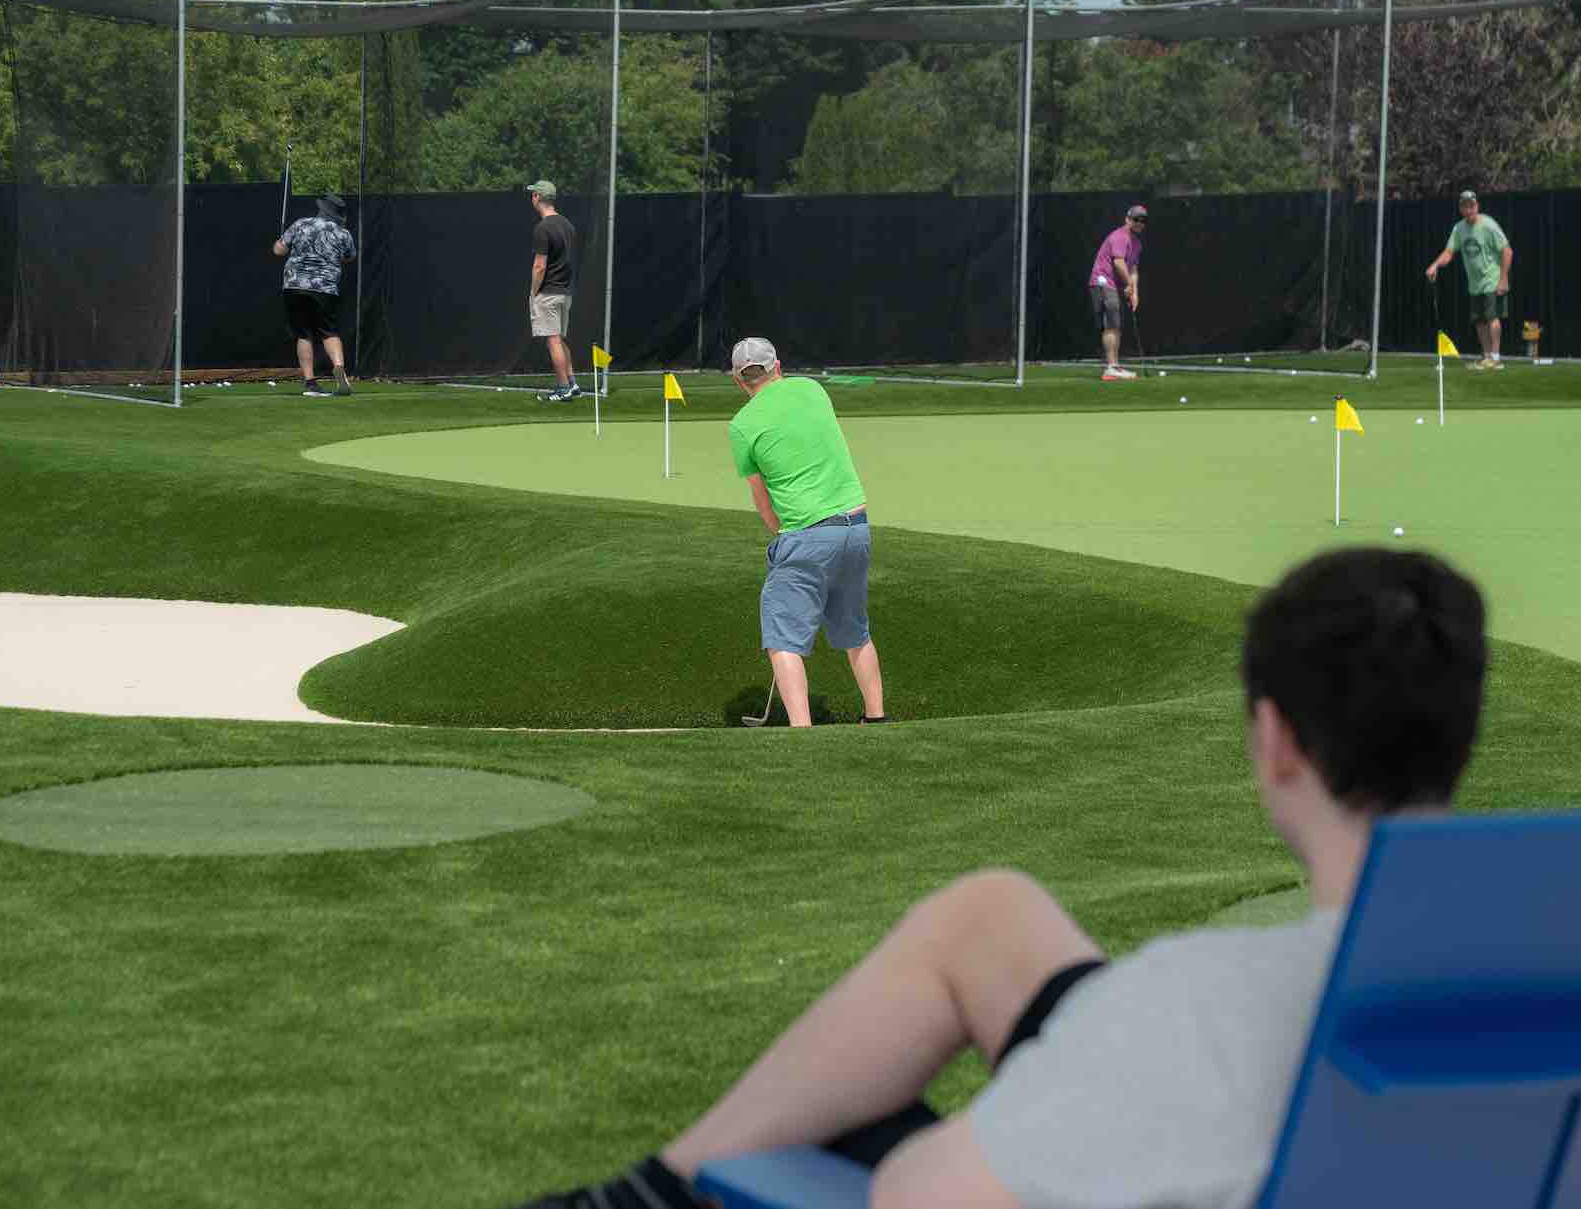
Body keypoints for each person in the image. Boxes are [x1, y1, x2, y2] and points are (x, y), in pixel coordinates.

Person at [513, 546, 1488, 1209]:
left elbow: (917, 1198)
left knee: (863, 1138)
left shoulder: (1199, 1008)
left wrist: (1035, 1102)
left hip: (1197, 1099)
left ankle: (667, 1188)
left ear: (1276, 742)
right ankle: (651, 1187)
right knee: (993, 914)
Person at [725, 337, 884, 729]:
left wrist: (787, 536)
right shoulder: (813, 389)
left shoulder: (742, 426)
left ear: (737, 380)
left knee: (781, 638)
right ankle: (876, 718)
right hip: (857, 527)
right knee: (855, 632)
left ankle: (802, 733)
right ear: (777, 366)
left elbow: (763, 502)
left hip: (807, 534)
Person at [273, 192, 356, 397]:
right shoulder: (343, 233)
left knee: (303, 333)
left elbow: (278, 251)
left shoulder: (301, 224)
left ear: (321, 209)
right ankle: (339, 369)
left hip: (294, 285)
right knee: (329, 332)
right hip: (325, 288)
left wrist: (281, 241)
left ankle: (310, 382)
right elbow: (349, 257)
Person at [1425, 190, 1513, 371]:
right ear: (1461, 209)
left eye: (1471, 205)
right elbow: (1449, 252)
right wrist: (1435, 265)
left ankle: (1496, 358)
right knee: (1479, 320)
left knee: (1492, 317)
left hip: (1492, 279)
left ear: (1477, 206)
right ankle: (1487, 356)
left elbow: (1507, 251)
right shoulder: (1459, 229)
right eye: (1465, 206)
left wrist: (1503, 279)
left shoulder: (1488, 225)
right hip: (1475, 284)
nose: (1469, 209)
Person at [526, 179, 583, 403]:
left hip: (548, 292)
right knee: (559, 338)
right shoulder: (568, 225)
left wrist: (533, 292)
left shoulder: (542, 228)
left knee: (553, 340)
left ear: (538, 198)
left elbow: (539, 266)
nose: (532, 198)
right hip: (565, 291)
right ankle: (572, 383)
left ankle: (562, 388)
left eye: (533, 195)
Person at [1088, 205, 1146, 382]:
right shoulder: (1120, 236)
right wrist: (1128, 284)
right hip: (1102, 281)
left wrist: (1134, 292)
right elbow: (1119, 263)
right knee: (1112, 323)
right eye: (1136, 219)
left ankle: (1113, 365)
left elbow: (1133, 268)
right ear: (1127, 219)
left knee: (1115, 323)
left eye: (1142, 220)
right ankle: (1111, 367)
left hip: (1113, 284)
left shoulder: (1136, 243)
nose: (1139, 223)